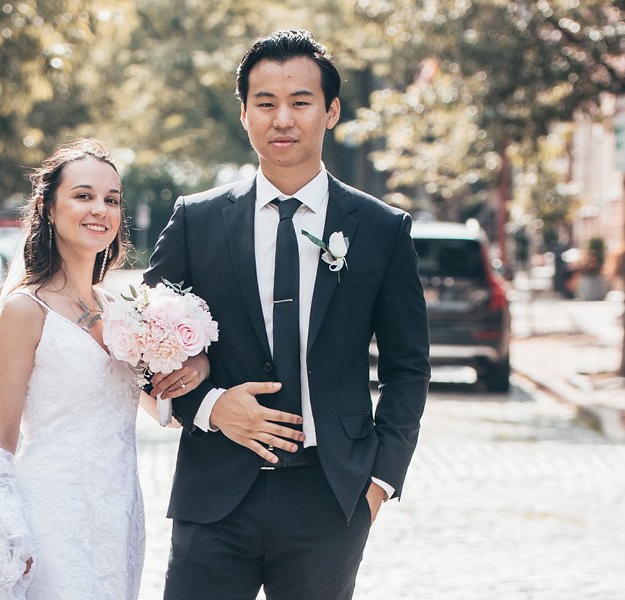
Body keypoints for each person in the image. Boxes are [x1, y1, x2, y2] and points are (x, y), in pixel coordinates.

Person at [144, 30, 431, 599]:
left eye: (300, 102)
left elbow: (409, 367)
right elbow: (143, 341)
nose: (283, 119)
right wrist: (209, 407)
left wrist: (378, 482)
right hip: (214, 493)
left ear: (331, 112)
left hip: (330, 498)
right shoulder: (196, 221)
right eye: (265, 103)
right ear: (244, 113)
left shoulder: (380, 229)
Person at [0, 139, 207, 599]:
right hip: (50, 514)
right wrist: (8, 530)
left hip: (118, 514)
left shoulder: (121, 311)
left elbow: (163, 410)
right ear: (48, 209)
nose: (100, 209)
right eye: (83, 196)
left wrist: (191, 364)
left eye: (111, 200)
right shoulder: (25, 310)